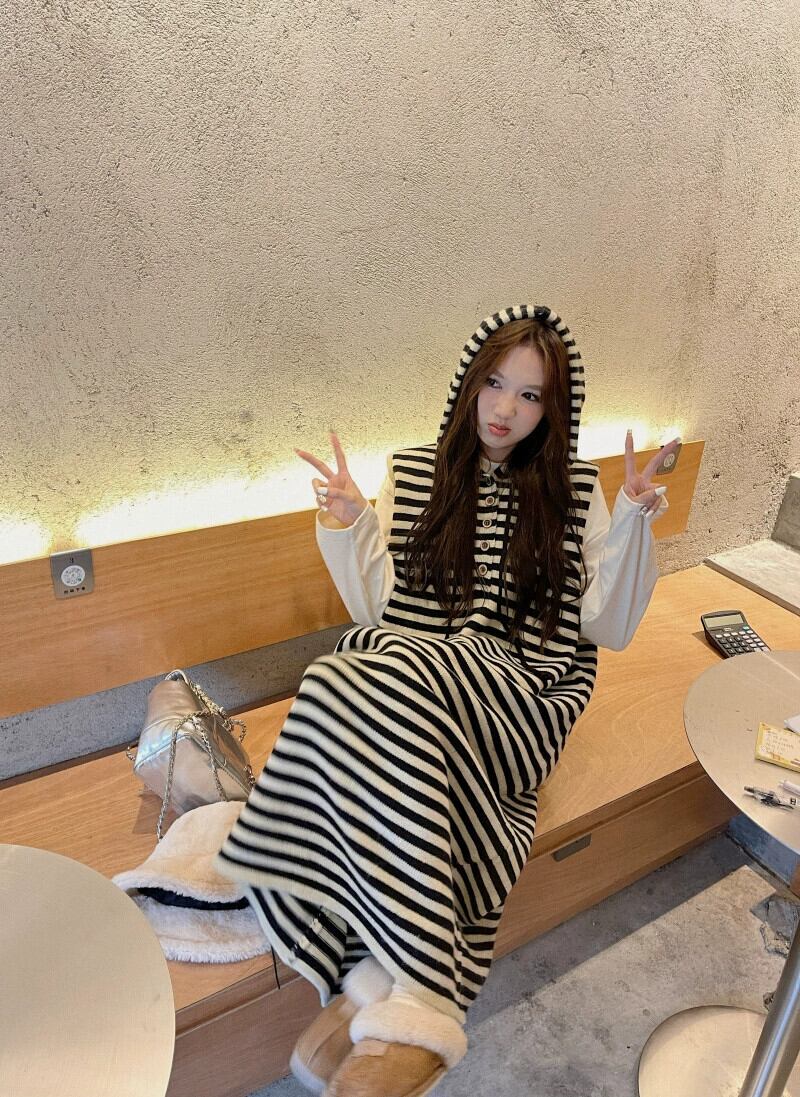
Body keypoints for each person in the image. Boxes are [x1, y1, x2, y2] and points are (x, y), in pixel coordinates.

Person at [216, 304, 679, 1097]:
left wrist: (633, 520)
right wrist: (351, 523)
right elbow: (382, 610)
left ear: (552, 409)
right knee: (335, 675)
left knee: (376, 686)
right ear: (469, 383)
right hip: (419, 665)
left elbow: (605, 625)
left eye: (530, 395)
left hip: (524, 690)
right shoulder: (416, 471)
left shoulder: (573, 489)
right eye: (494, 383)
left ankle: (419, 988)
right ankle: (373, 981)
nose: (505, 409)